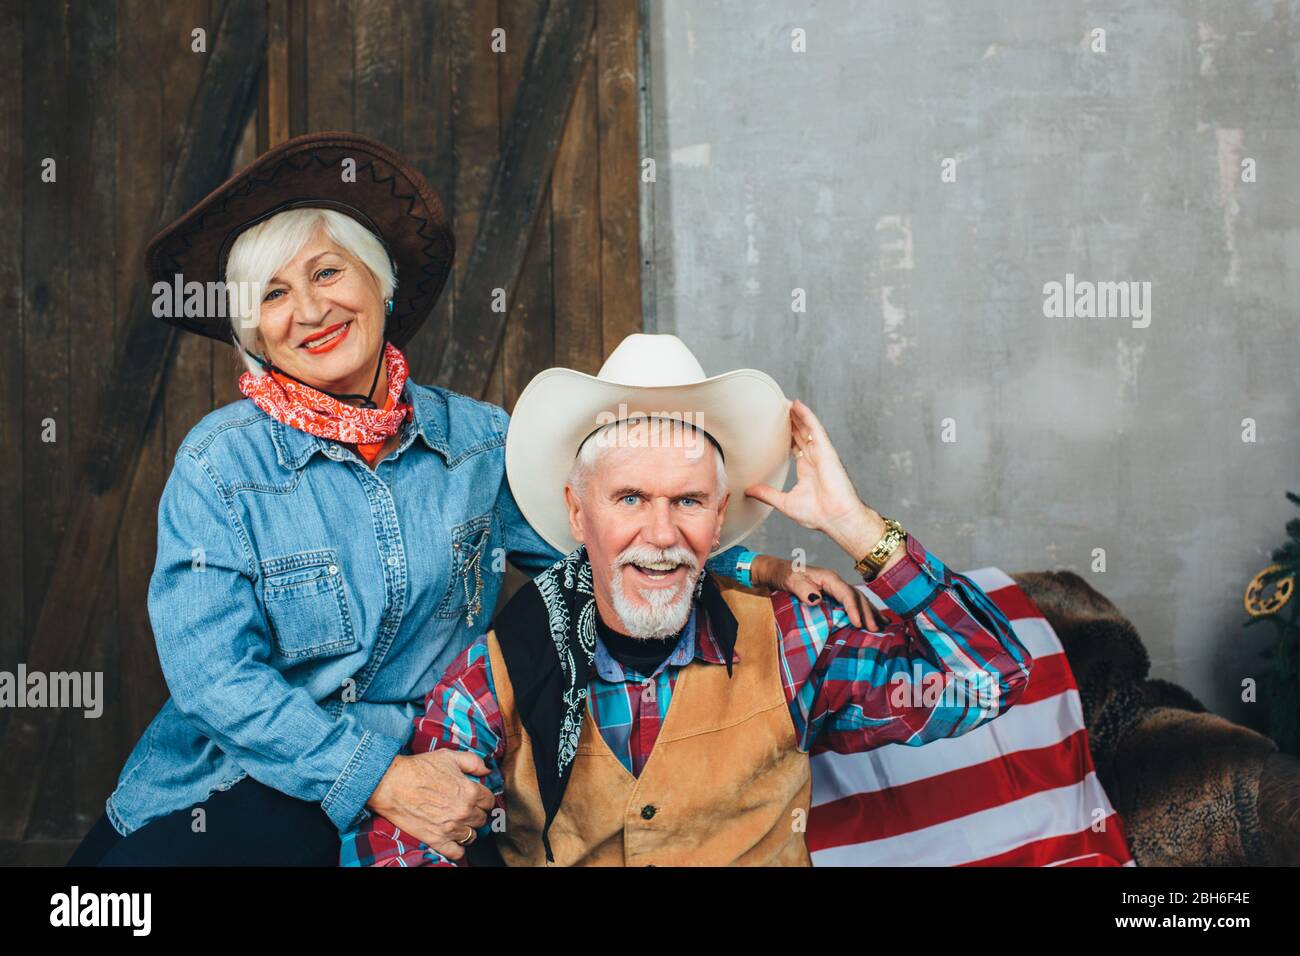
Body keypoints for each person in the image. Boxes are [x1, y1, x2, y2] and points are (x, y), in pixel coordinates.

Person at [67, 134, 862, 867]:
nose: (308, 310)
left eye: (326, 271)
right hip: (251, 773)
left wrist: (755, 569)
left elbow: (604, 538)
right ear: (254, 331)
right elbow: (215, 681)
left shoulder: (480, 441)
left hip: (441, 771)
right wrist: (376, 778)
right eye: (273, 294)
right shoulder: (219, 461)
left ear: (380, 283)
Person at [341, 333, 1034, 866]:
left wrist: (856, 530)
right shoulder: (497, 672)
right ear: (579, 516)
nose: (662, 535)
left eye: (689, 501)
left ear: (720, 514)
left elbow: (991, 679)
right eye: (631, 498)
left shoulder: (796, 641)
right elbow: (407, 838)